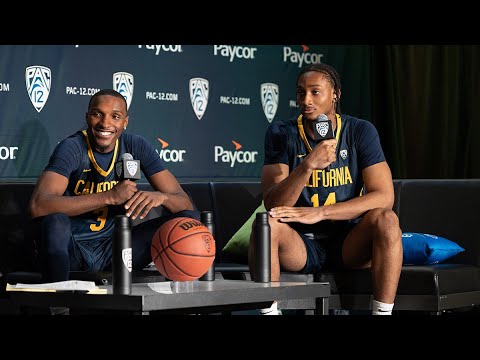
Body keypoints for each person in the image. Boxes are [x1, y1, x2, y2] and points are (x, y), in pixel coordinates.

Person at [248, 63, 403, 315]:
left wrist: (322, 212)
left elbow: (384, 196)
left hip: (348, 241)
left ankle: (383, 313)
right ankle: (269, 312)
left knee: (386, 220)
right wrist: (306, 166)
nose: (306, 100)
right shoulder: (281, 133)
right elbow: (273, 204)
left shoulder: (360, 131)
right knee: (266, 225)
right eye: (300, 93)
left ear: (335, 94)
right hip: (300, 243)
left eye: (315, 92)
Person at [28, 89, 199, 287]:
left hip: (117, 250)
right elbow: (38, 205)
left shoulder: (136, 146)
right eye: (97, 114)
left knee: (189, 221)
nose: (105, 124)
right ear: (87, 117)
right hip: (73, 251)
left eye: (115, 116)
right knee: (55, 222)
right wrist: (109, 196)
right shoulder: (72, 147)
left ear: (125, 122)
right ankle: (58, 306)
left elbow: (185, 204)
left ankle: (181, 303)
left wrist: (162, 197)